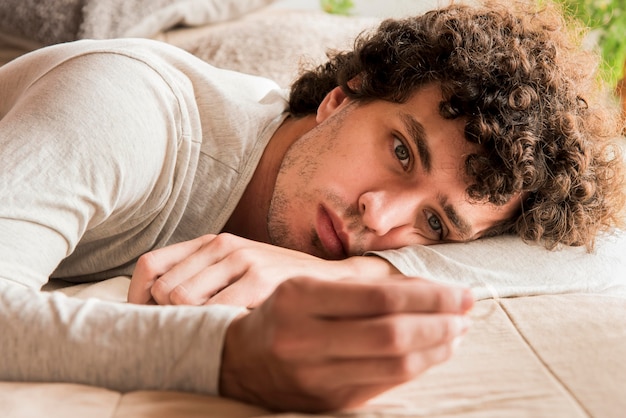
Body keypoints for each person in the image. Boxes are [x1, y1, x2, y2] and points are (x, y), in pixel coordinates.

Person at [0, 0, 623, 413]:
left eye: (433, 222)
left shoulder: (367, 245)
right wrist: (229, 360)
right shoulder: (125, 112)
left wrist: (355, 271)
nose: (380, 219)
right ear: (340, 98)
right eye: (402, 152)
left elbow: (605, 255)